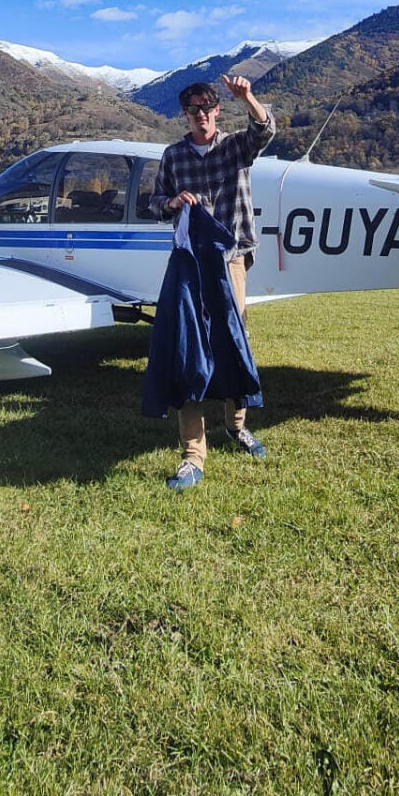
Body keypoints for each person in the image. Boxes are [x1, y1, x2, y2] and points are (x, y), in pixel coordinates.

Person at [150, 75, 275, 489]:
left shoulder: (236, 146)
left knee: (233, 344)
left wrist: (248, 96)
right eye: (193, 110)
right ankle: (193, 455)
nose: (200, 115)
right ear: (185, 115)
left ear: (217, 110)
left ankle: (236, 426)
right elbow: (155, 203)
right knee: (188, 349)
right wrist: (171, 202)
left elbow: (265, 130)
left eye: (206, 108)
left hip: (231, 261)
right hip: (190, 263)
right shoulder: (173, 156)